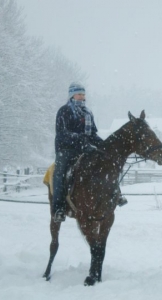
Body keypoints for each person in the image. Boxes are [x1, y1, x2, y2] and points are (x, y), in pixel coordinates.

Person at [52, 82, 127, 223]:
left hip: (83, 147)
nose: (82, 96)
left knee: (105, 162)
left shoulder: (88, 113)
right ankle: (58, 208)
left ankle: (117, 195)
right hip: (65, 149)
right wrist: (79, 138)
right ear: (71, 95)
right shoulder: (64, 111)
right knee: (59, 172)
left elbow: (92, 135)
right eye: (79, 94)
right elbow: (62, 134)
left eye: (83, 94)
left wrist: (105, 146)